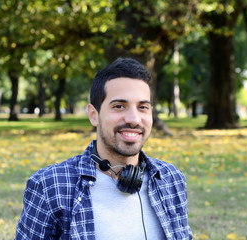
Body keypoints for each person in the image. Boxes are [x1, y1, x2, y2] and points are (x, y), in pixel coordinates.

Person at [15, 57, 193, 240]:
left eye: (143, 107)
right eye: (119, 106)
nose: (133, 119)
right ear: (94, 115)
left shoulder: (171, 179)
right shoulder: (50, 185)